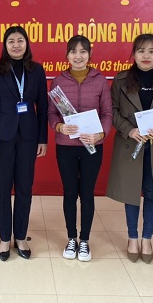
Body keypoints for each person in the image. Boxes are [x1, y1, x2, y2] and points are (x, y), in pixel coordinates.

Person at [106, 34, 153, 264]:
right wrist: (129, 130)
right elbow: (112, 111)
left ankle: (147, 238)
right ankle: (132, 237)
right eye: (141, 51)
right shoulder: (121, 80)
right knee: (131, 192)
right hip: (131, 143)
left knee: (152, 193)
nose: (146, 56)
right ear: (134, 54)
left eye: (151, 51)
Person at [0, 26, 48, 261]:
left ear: (27, 44)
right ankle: (3, 238)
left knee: (24, 188)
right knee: (2, 189)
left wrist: (42, 138)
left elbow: (43, 106)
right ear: (5, 45)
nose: (16, 45)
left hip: (28, 137)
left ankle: (20, 236)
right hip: (1, 138)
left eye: (20, 40)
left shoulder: (36, 70)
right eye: (11, 41)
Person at [48, 35, 112, 262]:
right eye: (73, 52)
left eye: (83, 51)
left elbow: (107, 113)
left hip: (92, 146)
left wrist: (100, 134)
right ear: (67, 55)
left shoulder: (100, 81)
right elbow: (51, 113)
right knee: (69, 192)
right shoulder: (58, 81)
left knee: (86, 193)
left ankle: (84, 240)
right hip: (66, 146)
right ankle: (71, 238)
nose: (78, 56)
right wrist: (59, 127)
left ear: (89, 55)